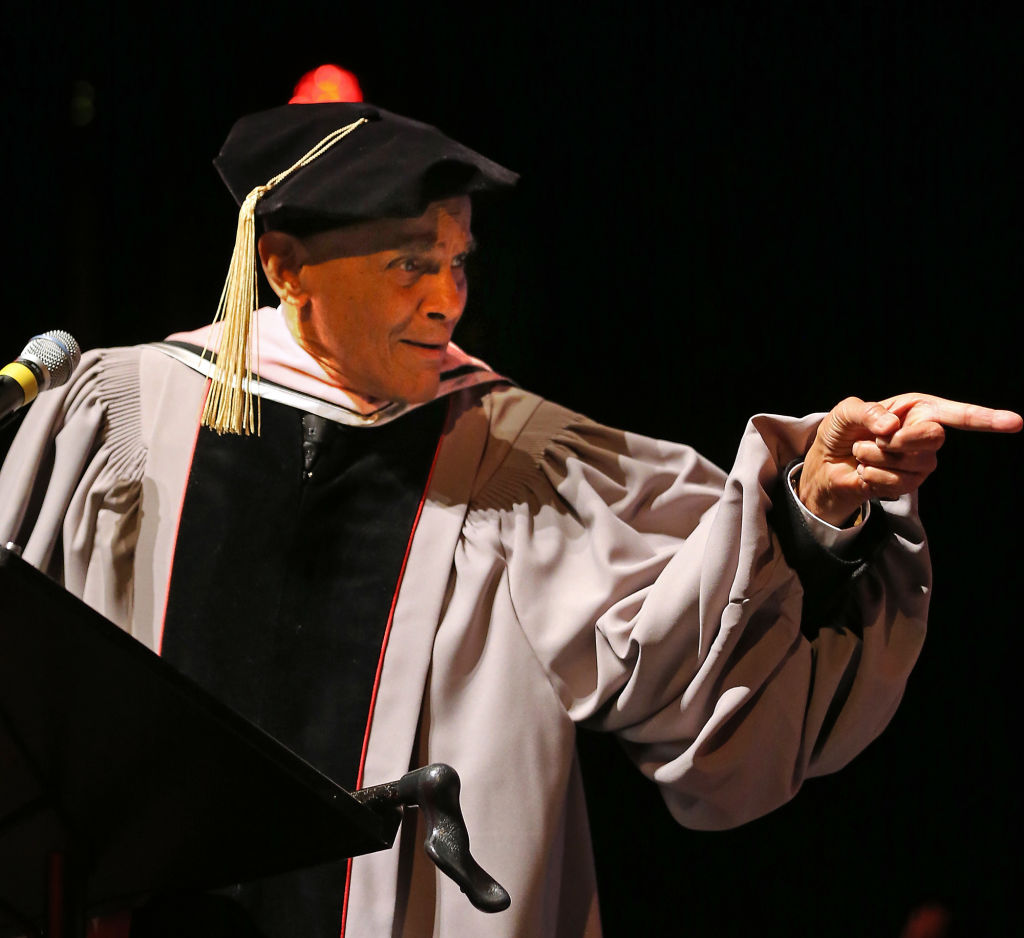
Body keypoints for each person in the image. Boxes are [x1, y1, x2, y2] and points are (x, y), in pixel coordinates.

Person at [0, 101, 1019, 938]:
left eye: (459, 261)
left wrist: (810, 513)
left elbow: (695, 665)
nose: (448, 297)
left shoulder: (527, 460)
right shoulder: (112, 418)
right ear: (284, 265)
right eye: (410, 261)